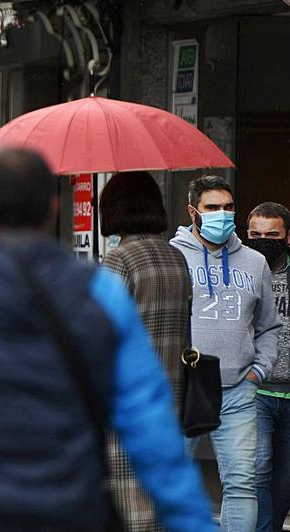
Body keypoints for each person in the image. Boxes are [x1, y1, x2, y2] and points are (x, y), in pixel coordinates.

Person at [0, 148, 214, 531]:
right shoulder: (98, 291)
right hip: (69, 508)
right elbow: (149, 424)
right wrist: (192, 522)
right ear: (52, 208)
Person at [170, 175, 281, 532]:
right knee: (172, 481)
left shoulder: (254, 262)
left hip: (238, 390)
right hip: (184, 389)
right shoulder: (173, 256)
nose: (222, 214)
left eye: (228, 207)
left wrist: (258, 372)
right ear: (193, 212)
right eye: (212, 208)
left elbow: (268, 325)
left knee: (242, 484)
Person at [98, 172, 192, 531]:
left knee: (127, 500)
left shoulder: (119, 260)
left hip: (126, 400)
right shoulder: (176, 258)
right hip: (171, 396)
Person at [249, 202, 290, 532]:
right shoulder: (239, 273)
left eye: (272, 235)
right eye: (255, 234)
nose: (263, 240)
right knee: (259, 467)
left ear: (287, 237)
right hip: (256, 389)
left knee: (285, 477)